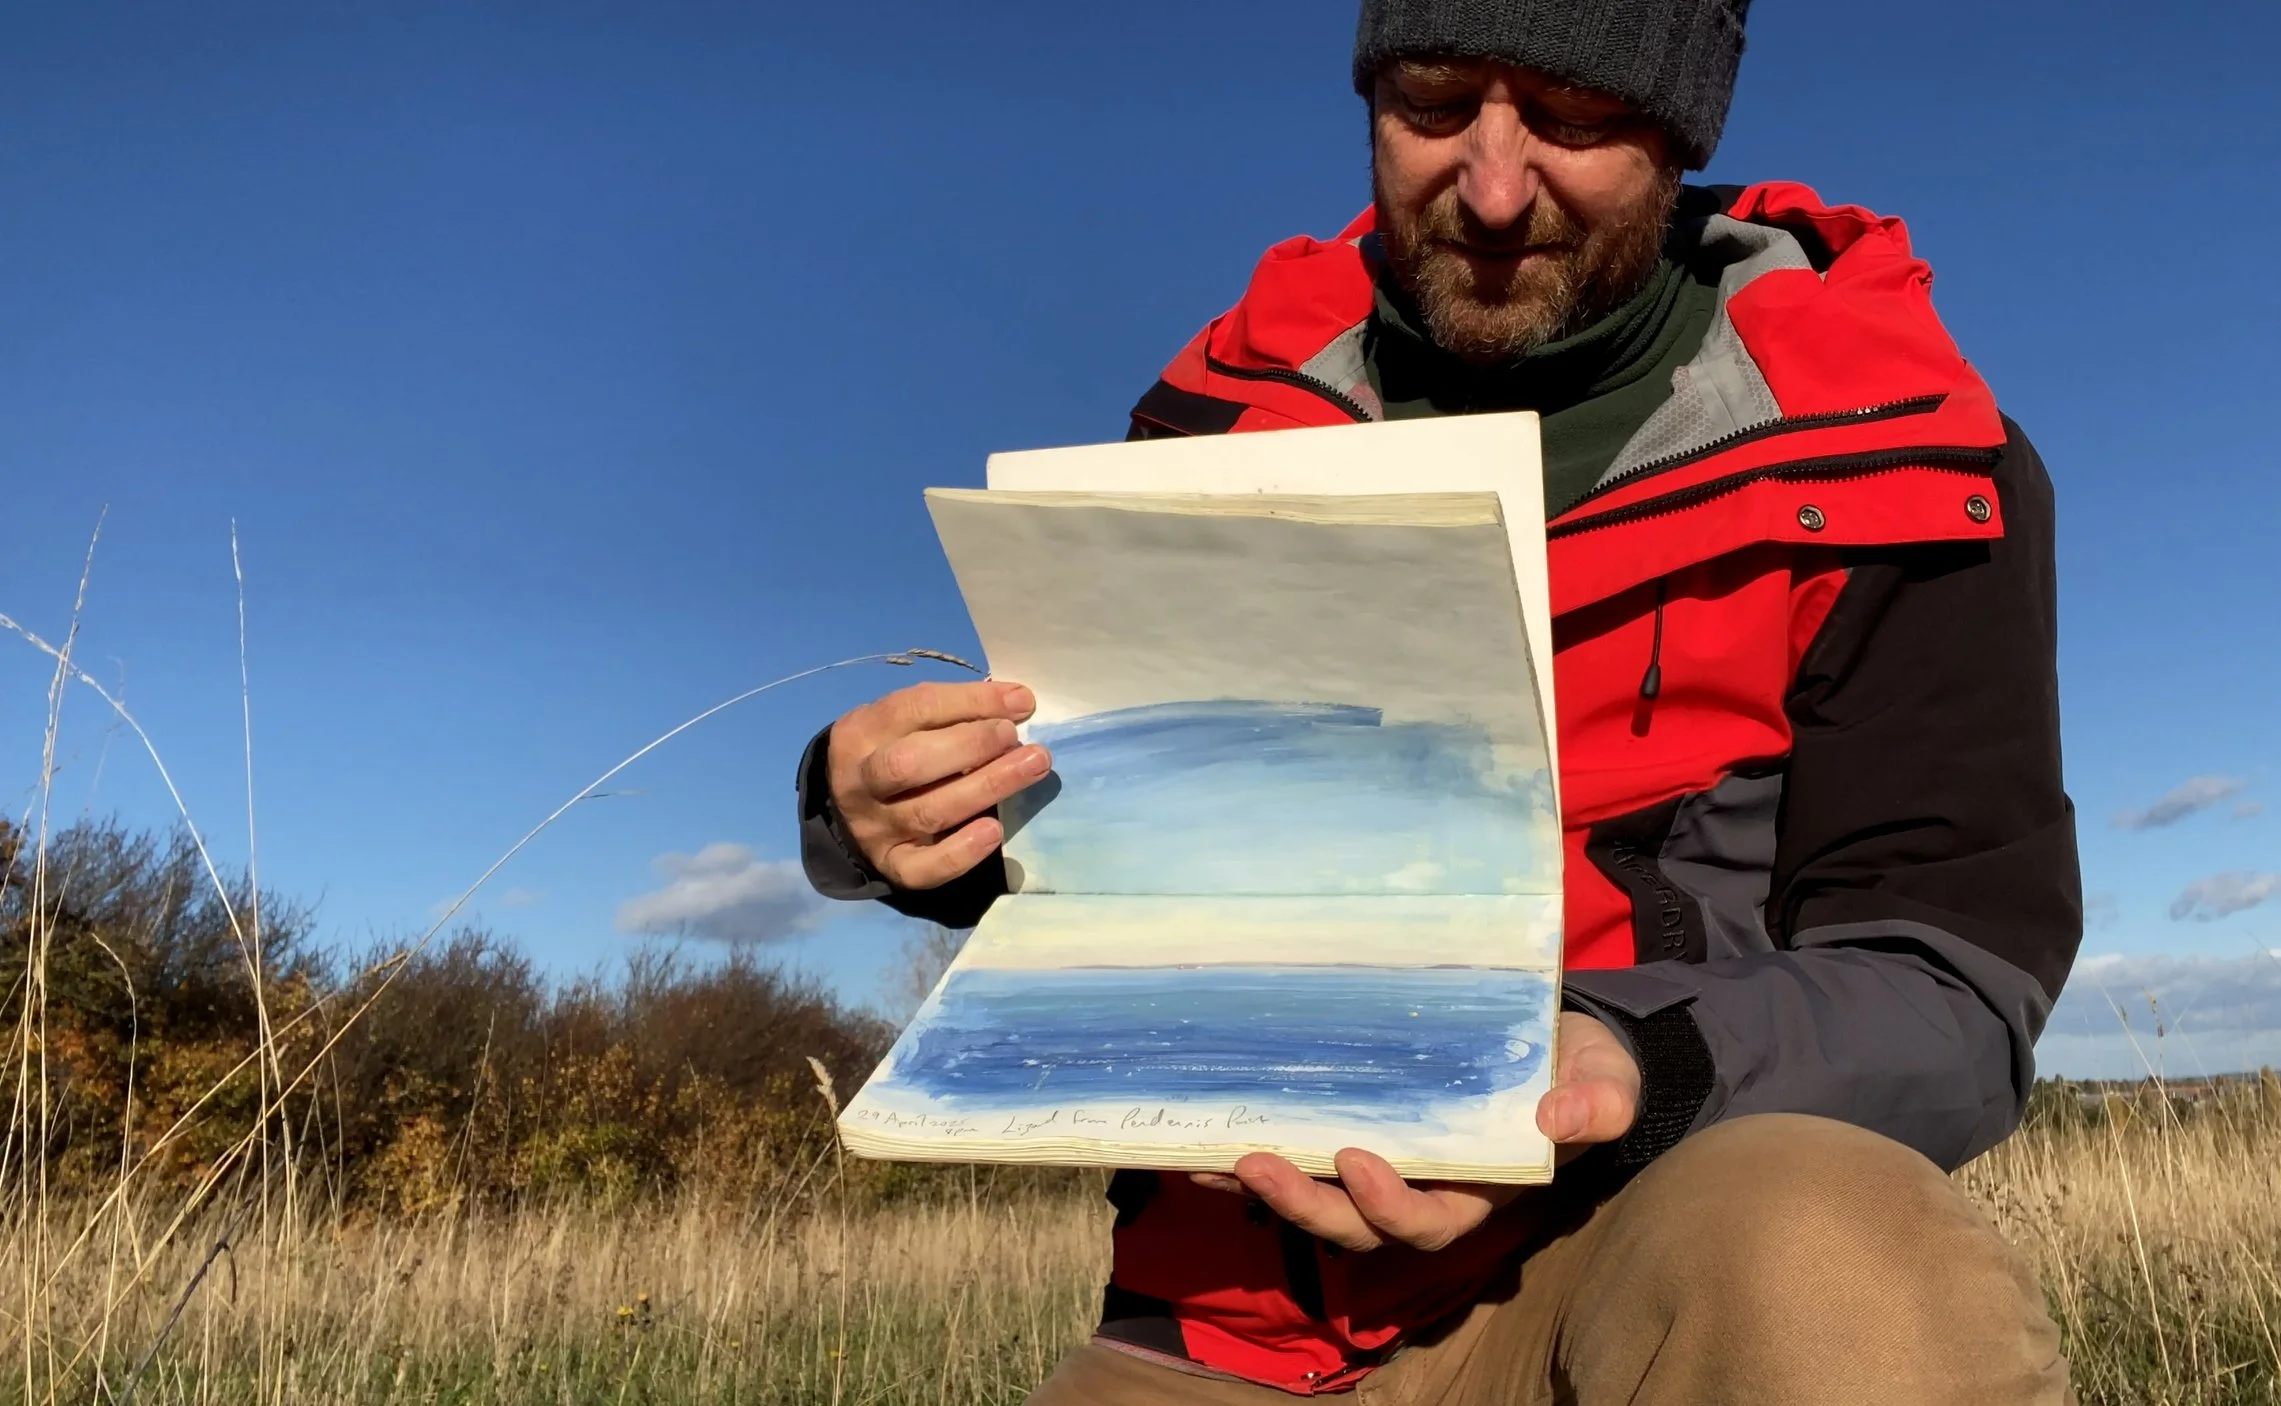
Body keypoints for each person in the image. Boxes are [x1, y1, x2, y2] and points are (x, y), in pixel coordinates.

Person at [796, 0, 2083, 1399]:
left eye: (1574, 116)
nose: (1490, 184)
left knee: (1835, 1268)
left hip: (1625, 1247)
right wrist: (897, 821)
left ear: (1679, 128)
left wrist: (1625, 1065)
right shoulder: (1210, 424)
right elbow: (1136, 856)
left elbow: (1946, 986)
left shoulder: (1902, 453)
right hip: (1224, 1325)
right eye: (1431, 101)